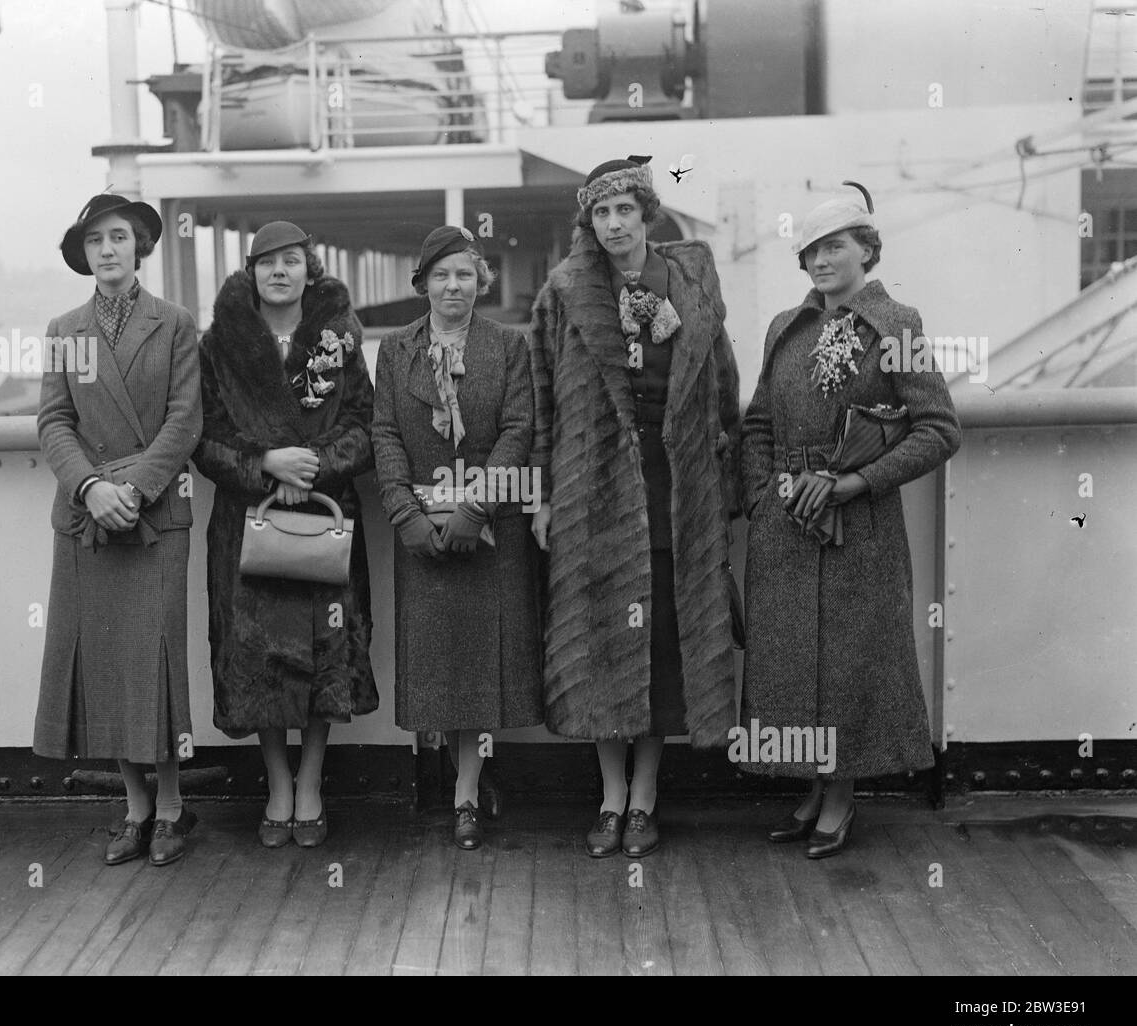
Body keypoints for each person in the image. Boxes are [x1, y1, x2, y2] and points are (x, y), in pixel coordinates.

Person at [529, 158, 742, 858]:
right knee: (599, 644)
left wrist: (725, 475)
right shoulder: (564, 293)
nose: (615, 224)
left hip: (675, 491)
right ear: (587, 223)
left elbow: (723, 387)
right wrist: (540, 495)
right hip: (592, 493)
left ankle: (645, 797)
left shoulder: (689, 281)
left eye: (626, 210)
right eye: (601, 213)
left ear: (646, 214)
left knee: (659, 649)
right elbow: (540, 405)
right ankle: (609, 794)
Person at [740, 182, 961, 858]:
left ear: (866, 248)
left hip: (858, 527)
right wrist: (767, 495)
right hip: (786, 525)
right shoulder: (787, 327)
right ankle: (811, 784)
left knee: (846, 665)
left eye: (834, 245)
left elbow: (938, 429)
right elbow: (755, 425)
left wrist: (854, 481)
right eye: (809, 250)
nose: (820, 260)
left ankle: (840, 797)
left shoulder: (898, 324)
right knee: (792, 663)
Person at [193, 221, 378, 849]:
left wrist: (314, 464)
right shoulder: (218, 345)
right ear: (251, 272)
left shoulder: (340, 335)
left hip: (323, 514)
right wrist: (266, 463)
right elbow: (206, 435)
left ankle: (312, 783)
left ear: (309, 269)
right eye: (267, 262)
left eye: (291, 261)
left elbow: (362, 420)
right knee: (259, 657)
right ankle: (277, 782)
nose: (279, 272)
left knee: (326, 652)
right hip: (251, 521)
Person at [34, 193, 202, 867]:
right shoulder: (63, 328)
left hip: (153, 516)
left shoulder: (177, 324)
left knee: (153, 660)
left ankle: (170, 807)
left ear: (140, 248)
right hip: (88, 518)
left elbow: (186, 420)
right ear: (84, 254)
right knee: (106, 666)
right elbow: (53, 421)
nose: (108, 249)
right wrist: (91, 486)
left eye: (120, 237)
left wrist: (132, 487)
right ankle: (134, 808)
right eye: (96, 240)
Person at [372, 225, 542, 850]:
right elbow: (385, 432)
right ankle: (446, 779)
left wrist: (477, 507)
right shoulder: (395, 351)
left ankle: (467, 793)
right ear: (422, 284)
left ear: (481, 283)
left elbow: (519, 429)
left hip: (488, 530)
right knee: (437, 662)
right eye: (441, 275)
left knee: (477, 665)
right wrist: (405, 513)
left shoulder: (508, 347)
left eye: (465, 275)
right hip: (420, 527)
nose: (453, 286)